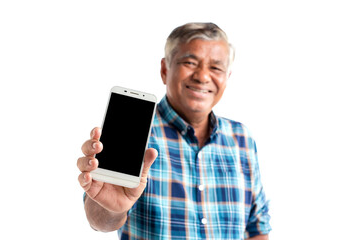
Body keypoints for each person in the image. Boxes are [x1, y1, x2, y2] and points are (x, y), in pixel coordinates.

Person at [77, 22, 271, 239]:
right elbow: (100, 220)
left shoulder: (241, 138)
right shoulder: (134, 132)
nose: (203, 76)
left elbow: (257, 227)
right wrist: (112, 208)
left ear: (227, 77)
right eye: (190, 62)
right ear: (164, 69)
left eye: (216, 67)